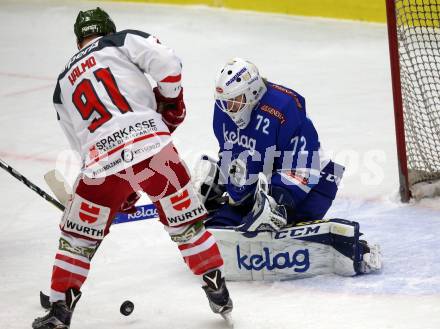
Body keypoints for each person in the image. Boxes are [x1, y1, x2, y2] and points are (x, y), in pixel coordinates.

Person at [32, 8, 232, 329]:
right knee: (186, 224)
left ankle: (60, 308)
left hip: (101, 163)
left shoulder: (61, 84)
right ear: (108, 28)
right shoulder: (119, 41)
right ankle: (215, 284)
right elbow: (166, 61)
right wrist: (171, 99)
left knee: (78, 238)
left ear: (78, 40)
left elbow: (79, 144)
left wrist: (118, 191)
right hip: (154, 148)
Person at [197, 58, 381, 279]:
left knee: (275, 226)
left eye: (235, 101)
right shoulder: (224, 113)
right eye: (225, 101)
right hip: (260, 186)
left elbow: (304, 165)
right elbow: (234, 153)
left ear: (253, 93)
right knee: (216, 227)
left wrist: (278, 202)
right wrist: (222, 180)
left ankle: (358, 250)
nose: (229, 108)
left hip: (314, 183)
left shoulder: (283, 110)